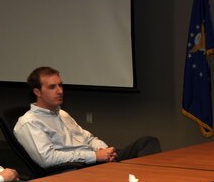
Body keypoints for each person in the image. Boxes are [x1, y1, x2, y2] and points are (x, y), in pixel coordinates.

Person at [14, 66, 161, 169]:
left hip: (95, 159)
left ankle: (145, 178)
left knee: (147, 142)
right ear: (37, 92)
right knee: (134, 165)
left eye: (60, 85)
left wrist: (105, 150)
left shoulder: (62, 114)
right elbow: (48, 159)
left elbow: (89, 139)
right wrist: (94, 156)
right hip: (78, 168)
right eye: (52, 87)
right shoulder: (30, 122)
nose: (60, 91)